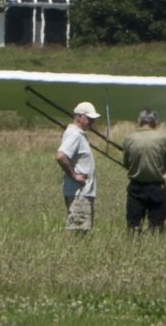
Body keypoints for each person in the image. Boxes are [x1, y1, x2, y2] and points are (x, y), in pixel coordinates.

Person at [120, 108, 166, 233]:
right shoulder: (163, 138)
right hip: (157, 187)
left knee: (133, 226)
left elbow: (126, 163)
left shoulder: (129, 139)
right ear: (156, 122)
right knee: (157, 227)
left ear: (139, 121)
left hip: (136, 187)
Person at [55, 101, 99, 235]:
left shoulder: (78, 134)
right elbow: (61, 156)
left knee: (82, 229)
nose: (92, 122)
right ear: (79, 117)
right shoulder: (74, 134)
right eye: (89, 118)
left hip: (82, 192)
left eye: (93, 119)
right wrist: (73, 175)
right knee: (78, 231)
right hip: (79, 193)